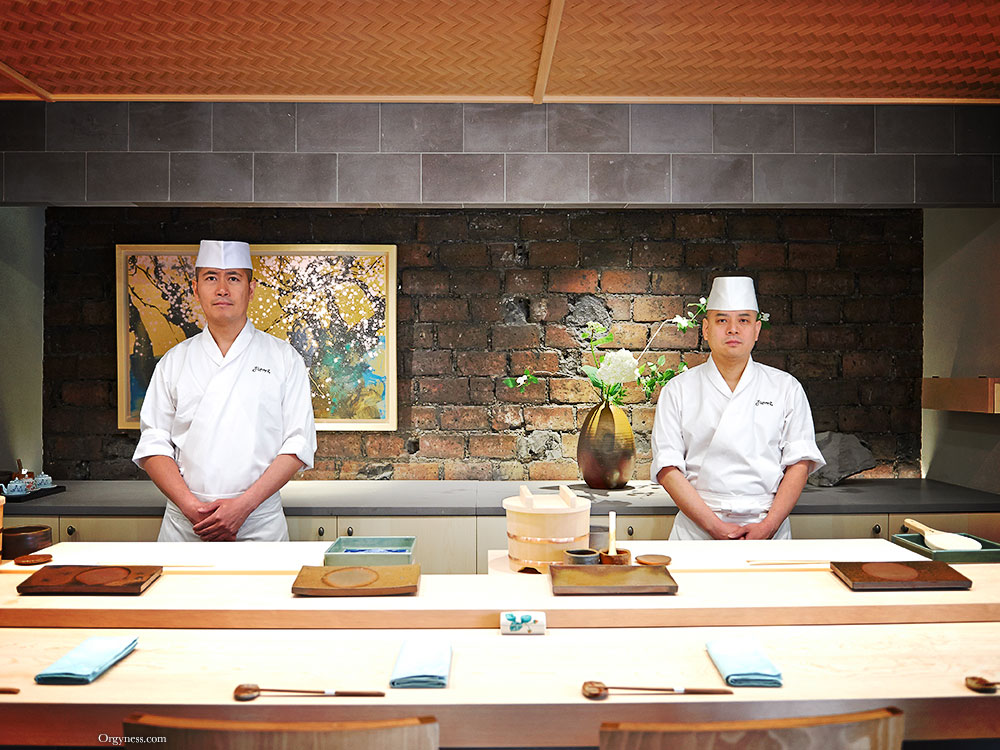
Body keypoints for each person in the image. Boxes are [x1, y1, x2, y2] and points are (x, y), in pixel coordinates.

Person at [132, 240, 316, 542]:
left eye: (233, 278)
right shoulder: (174, 361)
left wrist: (242, 507)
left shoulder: (283, 358)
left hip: (258, 525)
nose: (222, 289)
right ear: (195, 288)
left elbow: (298, 443)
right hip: (188, 527)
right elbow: (154, 443)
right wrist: (193, 508)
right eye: (211, 278)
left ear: (251, 288)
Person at [651, 276, 825, 540]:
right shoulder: (678, 389)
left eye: (743, 320)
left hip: (768, 525)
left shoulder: (786, 387)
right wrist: (715, 527)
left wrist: (768, 527)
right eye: (722, 320)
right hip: (698, 532)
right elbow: (667, 468)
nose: (733, 329)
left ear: (756, 330)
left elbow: (799, 463)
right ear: (706, 329)